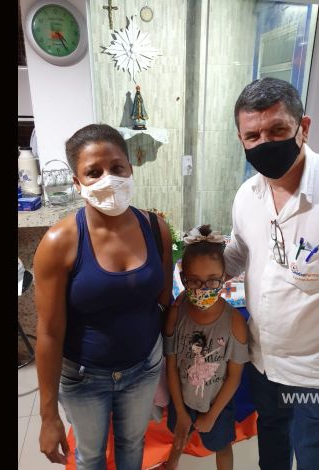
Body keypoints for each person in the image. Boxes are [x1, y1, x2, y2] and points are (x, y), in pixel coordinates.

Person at [224, 77, 319, 470]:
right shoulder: (247, 195)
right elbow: (240, 252)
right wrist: (204, 266)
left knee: (314, 458)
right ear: (241, 139)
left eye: (277, 130)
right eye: (253, 135)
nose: (265, 143)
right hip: (264, 362)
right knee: (272, 455)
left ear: (303, 127)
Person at [33, 123, 173, 469]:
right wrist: (48, 416)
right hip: (84, 376)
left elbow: (164, 300)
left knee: (132, 445)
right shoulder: (59, 243)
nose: (108, 179)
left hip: (144, 367)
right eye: (93, 172)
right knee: (91, 455)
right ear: (77, 182)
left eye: (116, 168)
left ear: (130, 169)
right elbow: (48, 333)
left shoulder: (155, 228)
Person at [162, 225, 249, 470]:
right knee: (179, 437)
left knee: (222, 446)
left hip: (218, 404)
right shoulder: (176, 316)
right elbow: (171, 367)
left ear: (224, 276)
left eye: (212, 281)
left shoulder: (235, 322)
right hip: (181, 400)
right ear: (183, 279)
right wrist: (180, 412)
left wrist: (212, 415)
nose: (203, 289)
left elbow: (234, 377)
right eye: (195, 281)